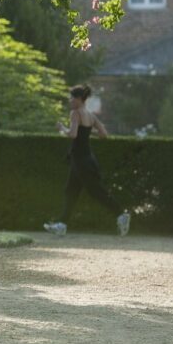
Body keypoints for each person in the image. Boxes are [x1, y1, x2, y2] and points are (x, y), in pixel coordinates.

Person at [43, 85, 130, 237]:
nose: (70, 100)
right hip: (85, 159)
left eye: (71, 98)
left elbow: (72, 134)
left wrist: (61, 128)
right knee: (71, 191)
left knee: (96, 191)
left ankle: (121, 214)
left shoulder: (75, 113)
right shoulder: (90, 115)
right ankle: (61, 225)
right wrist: (88, 132)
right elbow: (103, 134)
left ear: (78, 99)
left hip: (80, 160)